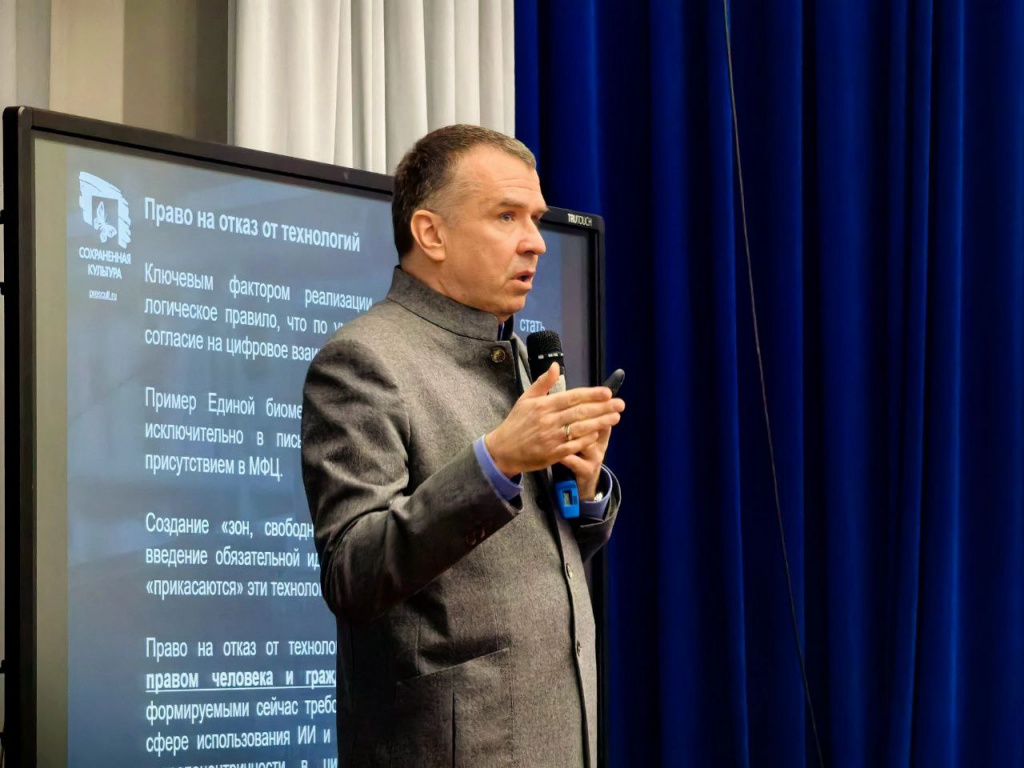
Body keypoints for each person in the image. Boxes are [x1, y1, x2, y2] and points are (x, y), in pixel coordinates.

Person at [301, 124, 624, 767]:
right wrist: (498, 462)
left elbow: (535, 564)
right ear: (431, 234)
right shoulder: (363, 360)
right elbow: (352, 574)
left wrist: (584, 489)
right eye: (507, 216)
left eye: (535, 219)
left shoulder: (523, 360)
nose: (535, 242)